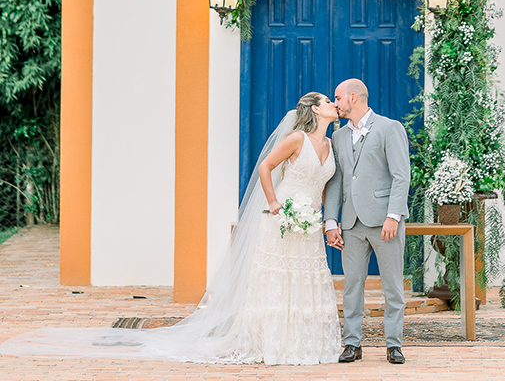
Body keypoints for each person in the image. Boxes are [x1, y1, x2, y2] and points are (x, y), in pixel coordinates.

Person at [0, 92, 342, 366]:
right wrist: (273, 203)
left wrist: (321, 216)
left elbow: (323, 185)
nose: (333, 105)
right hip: (281, 220)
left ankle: (304, 343)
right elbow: (265, 167)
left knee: (306, 278)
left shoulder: (330, 145)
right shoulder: (296, 138)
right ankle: (273, 344)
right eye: (328, 101)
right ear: (314, 108)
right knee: (277, 280)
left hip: (308, 223)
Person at [325, 79, 411, 365]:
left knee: (392, 285)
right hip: (351, 224)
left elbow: (401, 175)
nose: (335, 103)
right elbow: (336, 180)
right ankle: (352, 343)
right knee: (352, 285)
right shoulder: (338, 137)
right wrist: (330, 221)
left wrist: (393, 216)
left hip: (385, 223)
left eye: (337, 98)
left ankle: (394, 345)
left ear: (353, 97)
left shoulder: (389, 128)